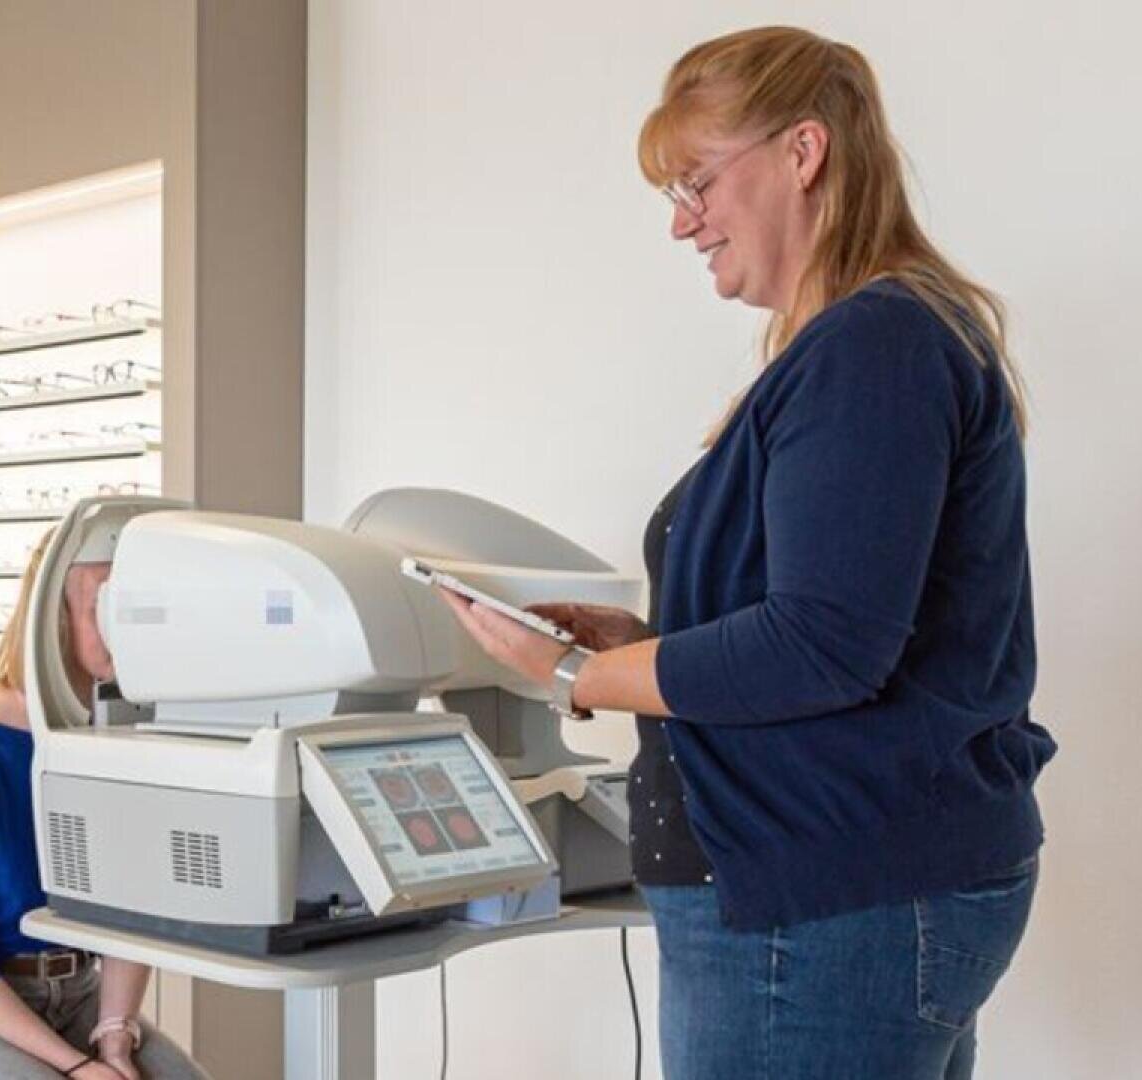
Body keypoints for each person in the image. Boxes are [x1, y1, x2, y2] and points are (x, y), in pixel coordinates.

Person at [438, 27, 1056, 1080]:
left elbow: (821, 647)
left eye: (700, 183)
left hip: (818, 906)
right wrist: (642, 642)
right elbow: (831, 621)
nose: (684, 223)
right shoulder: (864, 348)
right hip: (836, 893)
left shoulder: (875, 346)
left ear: (803, 152)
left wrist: (580, 674)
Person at [0, 535, 209, 1080]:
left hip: (78, 997)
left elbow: (133, 909)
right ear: (53, 614)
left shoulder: (123, 741)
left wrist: (115, 1035)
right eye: (109, 602)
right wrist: (76, 1067)